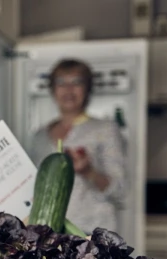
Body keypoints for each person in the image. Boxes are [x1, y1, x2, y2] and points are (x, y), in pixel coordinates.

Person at [28, 58, 127, 234]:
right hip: (49, 234)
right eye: (61, 83)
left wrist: (88, 171)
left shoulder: (105, 129)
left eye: (76, 82)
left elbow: (119, 189)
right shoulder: (39, 136)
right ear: (52, 90)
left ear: (87, 89)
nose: (68, 90)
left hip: (91, 233)